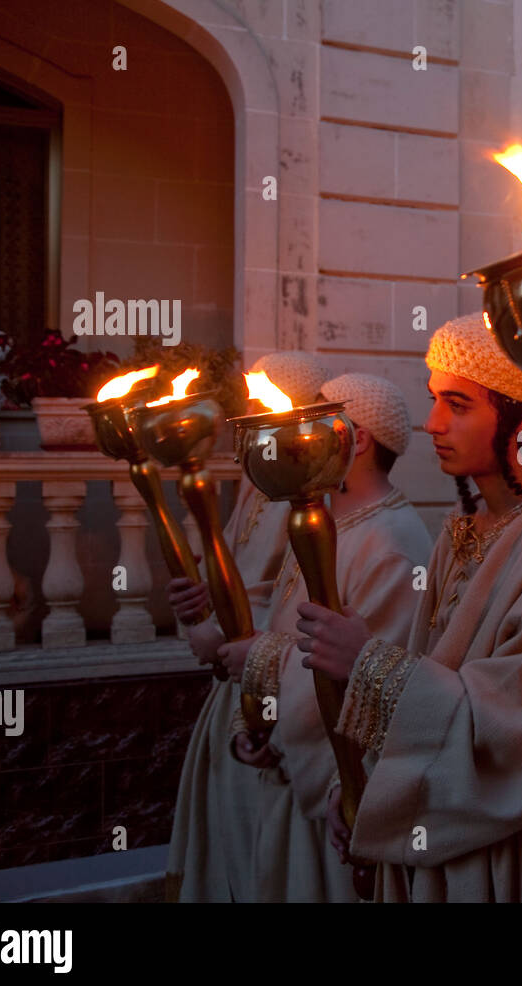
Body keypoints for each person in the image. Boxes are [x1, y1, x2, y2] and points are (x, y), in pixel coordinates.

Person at [302, 312, 522, 902]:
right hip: (424, 849)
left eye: (457, 404)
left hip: (503, 868)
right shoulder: (462, 527)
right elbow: (426, 675)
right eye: (434, 400)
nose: (432, 424)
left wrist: (367, 663)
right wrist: (353, 784)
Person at [215, 373, 431, 901]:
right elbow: (287, 620)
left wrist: (260, 661)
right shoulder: (326, 516)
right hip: (292, 771)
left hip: (337, 787)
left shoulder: (393, 544)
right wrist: (261, 717)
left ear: (357, 439)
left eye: (315, 425)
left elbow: (368, 678)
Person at [164, 350, 327, 902]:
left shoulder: (310, 492)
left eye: (262, 406)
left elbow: (298, 604)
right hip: (231, 695)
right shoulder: (255, 479)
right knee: (226, 841)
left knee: (265, 853)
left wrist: (232, 631)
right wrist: (202, 602)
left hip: (269, 692)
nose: (248, 421)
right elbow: (234, 571)